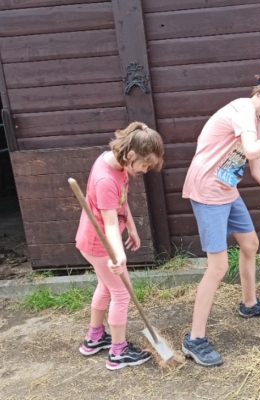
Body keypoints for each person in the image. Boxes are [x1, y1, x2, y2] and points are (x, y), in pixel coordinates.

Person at [181, 70, 260, 367]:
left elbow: (257, 169)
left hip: (226, 188)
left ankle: (249, 304)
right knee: (218, 266)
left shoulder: (254, 123)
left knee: (250, 244)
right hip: (208, 191)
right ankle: (194, 339)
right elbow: (251, 149)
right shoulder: (242, 112)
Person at [76, 122, 164, 371]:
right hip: (100, 244)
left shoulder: (115, 161)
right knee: (122, 294)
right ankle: (118, 351)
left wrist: (133, 227)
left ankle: (94, 338)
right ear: (131, 154)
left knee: (105, 287)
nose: (146, 170)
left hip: (93, 240)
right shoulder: (105, 179)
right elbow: (110, 223)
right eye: (145, 164)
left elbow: (120, 204)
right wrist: (118, 255)